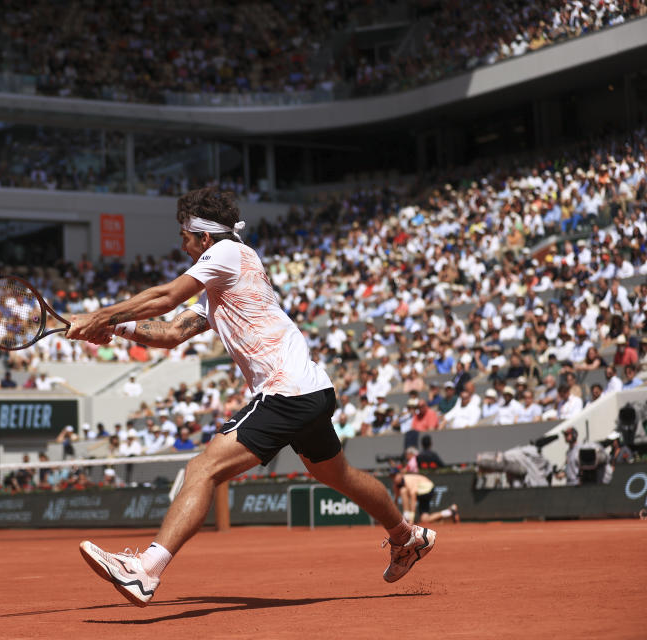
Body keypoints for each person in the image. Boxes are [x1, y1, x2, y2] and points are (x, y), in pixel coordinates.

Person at [68, 188, 435, 607]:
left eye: (184, 235)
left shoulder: (225, 253)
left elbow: (166, 296)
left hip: (285, 390)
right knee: (338, 476)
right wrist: (115, 329)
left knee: (202, 469)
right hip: (311, 389)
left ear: (204, 237)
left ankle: (145, 571)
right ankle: (407, 537)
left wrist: (100, 315)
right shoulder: (223, 277)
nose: (181, 244)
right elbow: (171, 333)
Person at [390, 468, 459, 526]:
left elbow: (413, 500)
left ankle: (407, 518)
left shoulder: (408, 480)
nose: (394, 478)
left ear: (401, 474)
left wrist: (411, 519)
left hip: (427, 490)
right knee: (424, 519)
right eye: (392, 477)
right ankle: (450, 511)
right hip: (421, 494)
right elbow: (395, 501)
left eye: (395, 475)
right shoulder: (396, 486)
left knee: (403, 490)